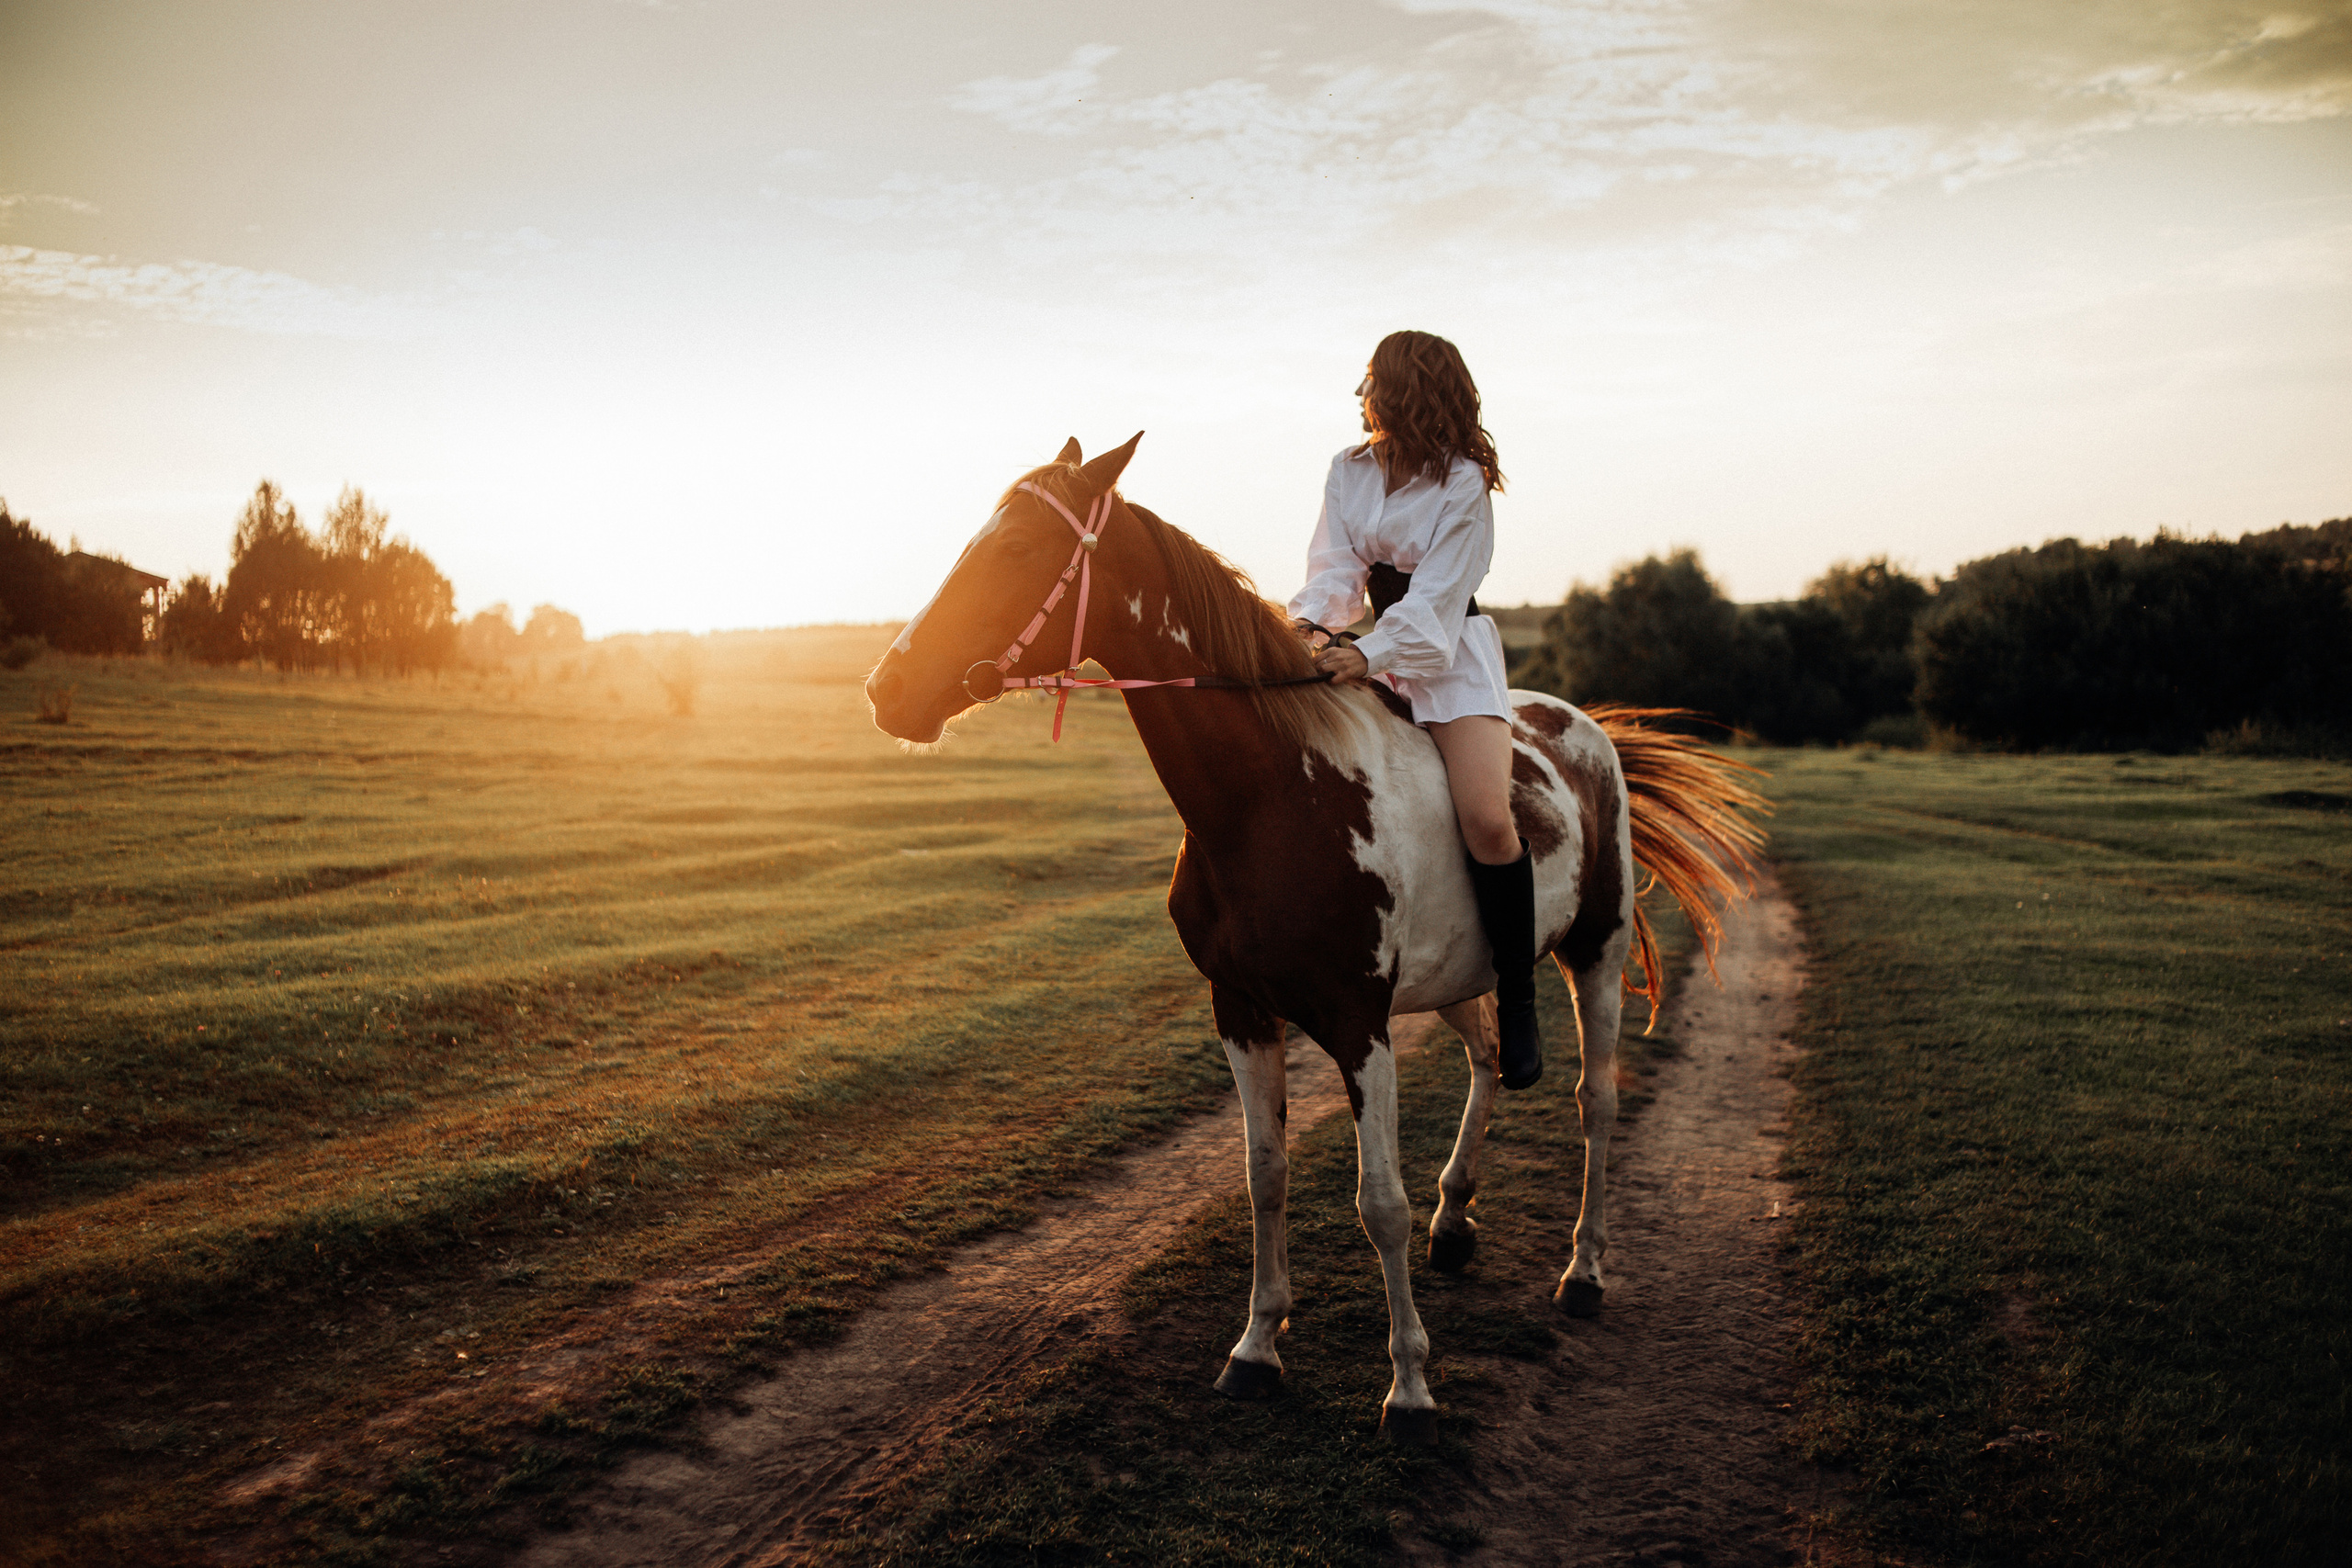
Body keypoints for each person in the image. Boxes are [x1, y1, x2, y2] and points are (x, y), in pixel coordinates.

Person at [1286, 330, 1543, 1091]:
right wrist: (1309, 630)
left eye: (1372, 379)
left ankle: (1519, 996)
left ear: (1406, 389)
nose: (1360, 393)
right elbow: (1335, 568)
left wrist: (1368, 655)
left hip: (1449, 654)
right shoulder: (1349, 468)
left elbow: (1439, 596)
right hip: (1370, 651)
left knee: (1487, 819)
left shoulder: (1464, 481)